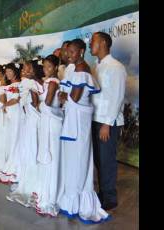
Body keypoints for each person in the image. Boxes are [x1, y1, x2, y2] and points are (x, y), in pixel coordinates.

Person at [56, 39, 109, 223]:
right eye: (67, 51)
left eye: (72, 51)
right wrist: (64, 96)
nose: (69, 54)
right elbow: (66, 96)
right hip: (75, 120)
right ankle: (73, 201)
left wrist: (64, 96)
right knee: (74, 161)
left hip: (78, 122)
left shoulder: (81, 70)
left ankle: (80, 203)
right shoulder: (75, 68)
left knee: (79, 161)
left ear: (82, 51)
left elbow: (73, 99)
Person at [90, 32, 127, 211]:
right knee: (98, 159)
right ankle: (102, 192)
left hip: (107, 122)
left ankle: (110, 198)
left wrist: (107, 123)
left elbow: (117, 97)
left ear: (103, 43)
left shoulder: (116, 67)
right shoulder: (96, 66)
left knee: (107, 160)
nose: (90, 45)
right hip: (95, 118)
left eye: (93, 42)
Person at [29, 55, 64, 216]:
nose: (46, 69)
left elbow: (48, 103)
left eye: (49, 67)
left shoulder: (53, 82)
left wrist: (37, 103)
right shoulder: (47, 82)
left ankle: (52, 194)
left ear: (56, 67)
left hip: (52, 122)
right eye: (44, 67)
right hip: (47, 121)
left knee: (52, 156)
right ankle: (47, 189)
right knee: (47, 155)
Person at [6, 60, 43, 204]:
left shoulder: (27, 83)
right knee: (32, 147)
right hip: (33, 118)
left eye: (27, 69)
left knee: (30, 148)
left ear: (33, 70)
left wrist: (30, 105)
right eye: (24, 69)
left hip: (31, 118)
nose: (24, 71)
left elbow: (34, 101)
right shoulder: (37, 82)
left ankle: (31, 180)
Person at [0, 63, 22, 184]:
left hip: (16, 112)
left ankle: (16, 164)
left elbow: (17, 98)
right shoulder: (7, 85)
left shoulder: (18, 84)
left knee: (16, 137)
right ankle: (11, 161)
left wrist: (5, 105)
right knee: (11, 138)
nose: (7, 74)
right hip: (10, 114)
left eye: (9, 71)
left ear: (15, 72)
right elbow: (4, 97)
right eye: (6, 72)